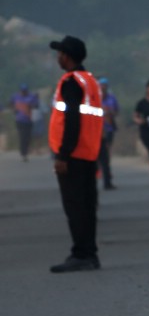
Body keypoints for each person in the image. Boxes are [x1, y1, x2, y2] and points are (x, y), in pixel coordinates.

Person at [46, 35, 104, 273]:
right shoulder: (89, 80)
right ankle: (89, 254)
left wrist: (63, 155)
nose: (58, 57)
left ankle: (81, 254)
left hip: (74, 154)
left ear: (67, 56)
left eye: (60, 53)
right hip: (89, 152)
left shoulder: (71, 82)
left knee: (75, 206)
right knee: (87, 206)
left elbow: (72, 120)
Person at [10, 83, 40, 162]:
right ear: (21, 91)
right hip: (19, 120)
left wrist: (36, 99)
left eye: (25, 91)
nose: (24, 92)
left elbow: (36, 105)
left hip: (28, 120)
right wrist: (14, 109)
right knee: (22, 136)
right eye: (23, 91)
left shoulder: (31, 97)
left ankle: (26, 150)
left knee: (28, 137)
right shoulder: (16, 97)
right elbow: (10, 104)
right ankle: (24, 153)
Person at [98, 77, 118, 190]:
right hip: (96, 130)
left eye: (105, 85)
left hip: (108, 129)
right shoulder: (94, 99)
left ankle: (107, 178)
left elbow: (116, 111)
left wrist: (110, 113)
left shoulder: (112, 99)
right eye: (101, 85)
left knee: (106, 151)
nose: (103, 87)